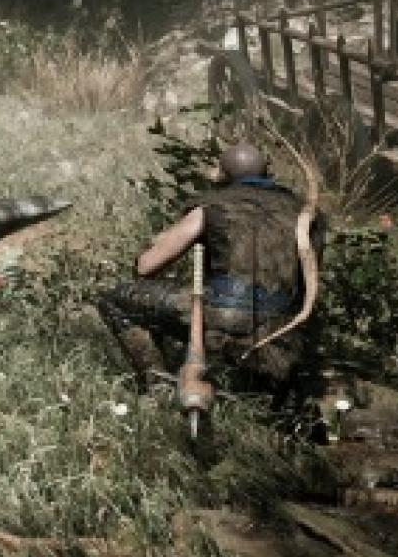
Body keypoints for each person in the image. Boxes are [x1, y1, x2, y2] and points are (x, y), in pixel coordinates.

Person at [97, 142, 322, 409]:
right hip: (283, 322)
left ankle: (158, 385)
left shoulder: (213, 206)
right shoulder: (306, 214)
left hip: (221, 311)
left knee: (116, 300)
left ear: (224, 174)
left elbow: (146, 266)